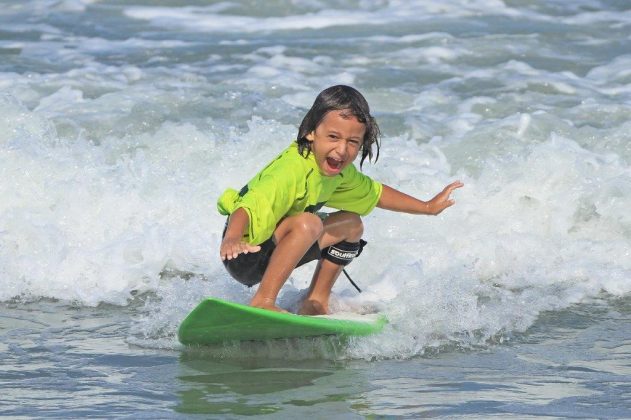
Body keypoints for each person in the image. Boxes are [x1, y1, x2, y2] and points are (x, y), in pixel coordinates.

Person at [218, 85, 463, 315]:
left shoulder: (339, 173)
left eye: (353, 142)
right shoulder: (290, 170)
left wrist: (428, 207)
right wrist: (232, 239)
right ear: (311, 133)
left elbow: (376, 194)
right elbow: (247, 206)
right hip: (244, 252)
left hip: (277, 250)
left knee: (351, 224)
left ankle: (315, 302)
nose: (342, 150)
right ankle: (263, 301)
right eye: (333, 137)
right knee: (308, 223)